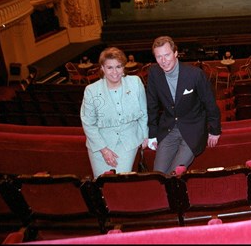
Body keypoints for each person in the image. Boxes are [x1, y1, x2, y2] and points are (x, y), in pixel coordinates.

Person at [146, 35, 221, 175]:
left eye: (167, 55)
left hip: (193, 129)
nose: (163, 61)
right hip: (168, 128)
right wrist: (152, 134)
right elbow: (152, 105)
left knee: (174, 174)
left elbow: (209, 102)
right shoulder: (154, 74)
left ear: (175, 53)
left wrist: (215, 130)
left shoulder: (195, 74)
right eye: (159, 57)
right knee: (158, 174)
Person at [80, 47, 149, 178]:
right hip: (99, 146)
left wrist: (144, 134)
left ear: (124, 67)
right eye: (109, 67)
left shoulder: (135, 82)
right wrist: (104, 150)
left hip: (128, 142)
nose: (114, 72)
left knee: (120, 182)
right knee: (101, 182)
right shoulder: (91, 90)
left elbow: (143, 112)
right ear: (102, 68)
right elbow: (88, 123)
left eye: (118, 66)